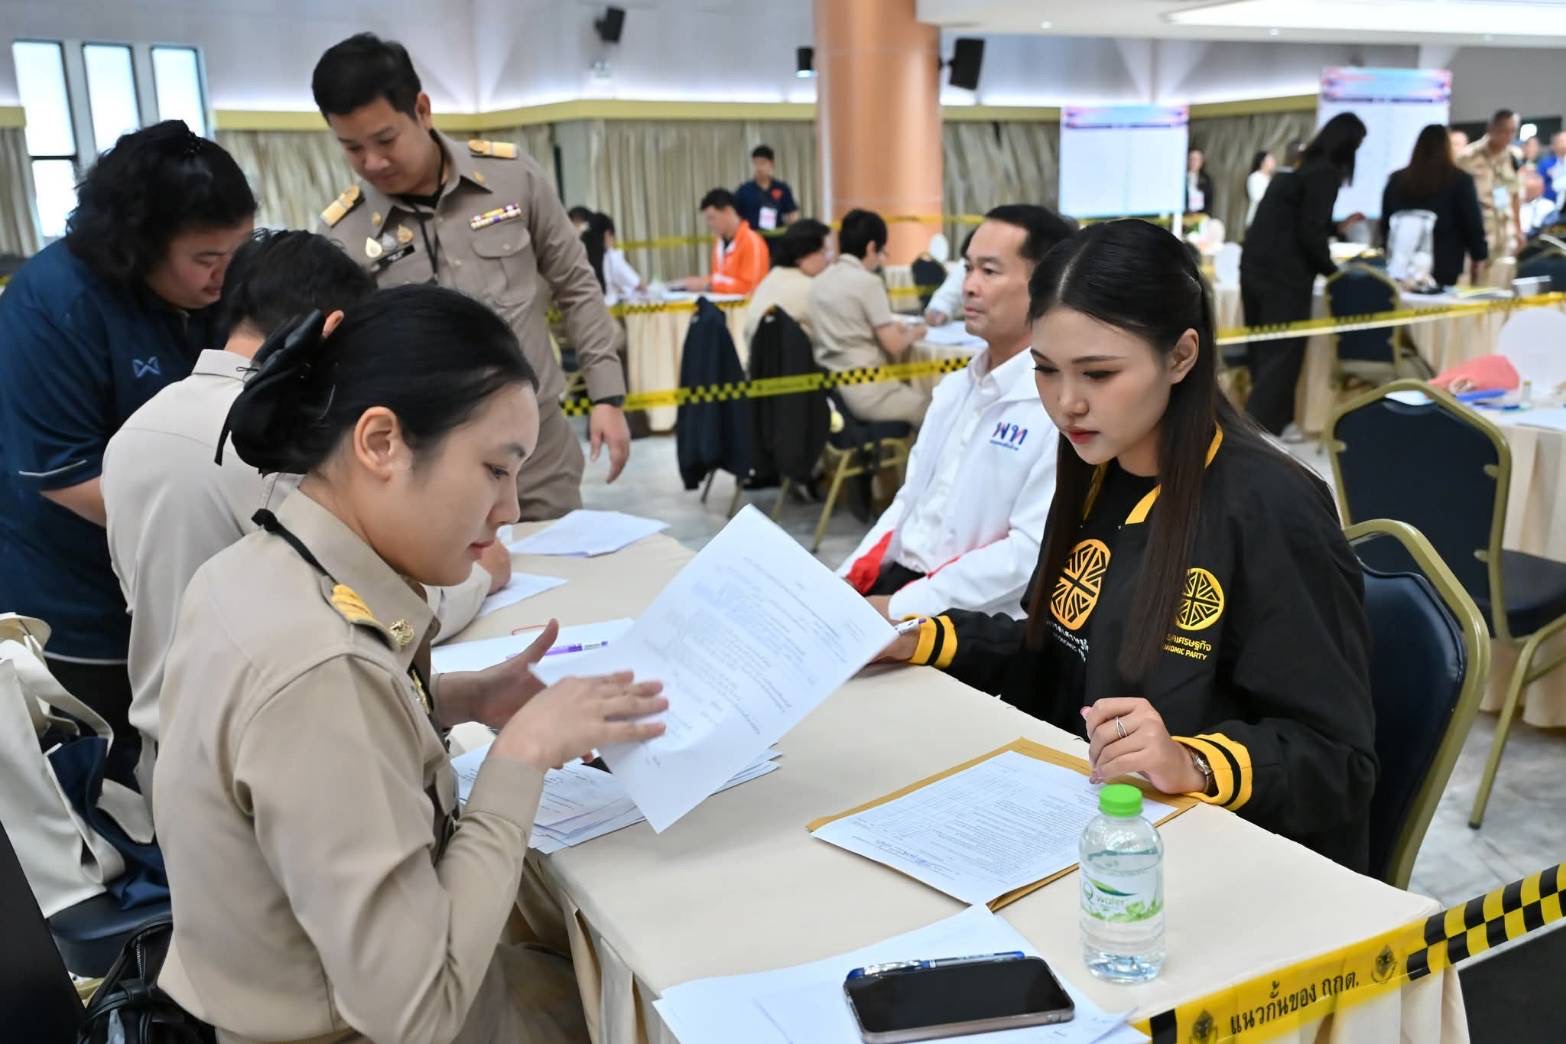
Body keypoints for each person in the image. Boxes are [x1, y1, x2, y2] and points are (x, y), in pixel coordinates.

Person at [153, 283, 668, 1042]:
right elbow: (419, 1013)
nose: (510, 509)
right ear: (381, 443)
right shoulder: (322, 671)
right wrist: (522, 755)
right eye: (494, 469)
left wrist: (455, 698)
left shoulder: (251, 571)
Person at [878, 219, 1376, 870]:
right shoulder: (1097, 469)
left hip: (1228, 858)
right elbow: (1060, 657)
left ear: (1181, 356)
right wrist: (923, 636)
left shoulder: (1270, 508)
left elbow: (1339, 762)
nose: (1067, 404)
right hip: (1098, 825)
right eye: (1046, 371)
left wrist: (1193, 761)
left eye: (1099, 373)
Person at [102, 230, 509, 791]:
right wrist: (482, 574)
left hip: (170, 750)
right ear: (331, 333)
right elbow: (378, 609)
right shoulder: (277, 446)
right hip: (276, 753)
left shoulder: (134, 430)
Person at [0, 120, 254, 765]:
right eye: (206, 258)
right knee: (113, 778)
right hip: (82, 602)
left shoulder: (209, 292)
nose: (225, 276)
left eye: (239, 251)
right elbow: (64, 477)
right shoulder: (51, 307)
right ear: (139, 245)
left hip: (196, 575)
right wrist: (234, 524)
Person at [311, 33, 632, 519]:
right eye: (352, 148)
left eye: (386, 140)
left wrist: (607, 394)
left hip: (537, 448)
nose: (372, 162)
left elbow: (576, 285)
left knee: (562, 561)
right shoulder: (345, 233)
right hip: (428, 466)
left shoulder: (512, 178)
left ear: (422, 110)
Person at [838, 205, 1073, 619]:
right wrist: (847, 579)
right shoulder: (955, 389)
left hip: (972, 616)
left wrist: (900, 607)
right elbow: (909, 501)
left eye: (989, 271)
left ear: (1047, 285)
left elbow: (1025, 555)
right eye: (967, 269)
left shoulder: (1057, 409)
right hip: (905, 584)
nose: (968, 286)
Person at [1240, 112, 1366, 436]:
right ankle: (1263, 428)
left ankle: (1269, 424)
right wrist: (1333, 271)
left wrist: (1336, 228)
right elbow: (1309, 232)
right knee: (1283, 353)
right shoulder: (1325, 174)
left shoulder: (1298, 169)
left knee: (1262, 350)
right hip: (1285, 275)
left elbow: (1303, 222)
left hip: (1254, 266)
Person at [808, 208, 930, 425]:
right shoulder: (868, 283)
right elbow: (894, 345)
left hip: (833, 392)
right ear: (871, 247)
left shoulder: (819, 281)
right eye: (882, 251)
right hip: (869, 392)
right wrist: (916, 332)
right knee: (934, 408)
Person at [1379, 123, 1488, 288]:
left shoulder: (1396, 180)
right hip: (1444, 262)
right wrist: (1479, 254)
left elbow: (1386, 222)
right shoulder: (1459, 180)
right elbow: (1471, 222)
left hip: (1401, 261)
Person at [742, 218, 831, 346]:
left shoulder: (772, 278)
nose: (828, 260)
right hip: (792, 356)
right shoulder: (809, 288)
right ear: (802, 255)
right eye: (823, 252)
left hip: (757, 355)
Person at [1457, 109, 1524, 279]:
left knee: (1499, 280)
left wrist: (1518, 229)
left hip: (1504, 228)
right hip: (1477, 227)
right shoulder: (1467, 157)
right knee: (1468, 279)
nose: (1508, 136)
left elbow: (1515, 193)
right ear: (1491, 129)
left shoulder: (1513, 156)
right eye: (1503, 131)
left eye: (1512, 131)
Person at [676, 188, 771, 295]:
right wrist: (701, 282)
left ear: (728, 211)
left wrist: (708, 284)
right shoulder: (719, 244)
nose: (709, 224)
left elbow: (750, 287)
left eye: (712, 218)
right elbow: (720, 278)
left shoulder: (752, 242)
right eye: (707, 219)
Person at [580, 212, 645, 305]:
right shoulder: (611, 257)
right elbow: (636, 283)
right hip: (607, 309)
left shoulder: (581, 256)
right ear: (607, 234)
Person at [733, 144, 799, 231]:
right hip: (752, 236)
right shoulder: (743, 190)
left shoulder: (782, 188)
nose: (759, 168)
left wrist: (793, 230)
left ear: (772, 164)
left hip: (777, 236)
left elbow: (792, 214)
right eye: (756, 163)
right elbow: (735, 215)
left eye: (763, 163)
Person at [923, 228, 978, 326]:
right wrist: (937, 311)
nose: (968, 288)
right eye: (968, 269)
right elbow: (946, 297)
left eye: (989, 271)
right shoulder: (966, 264)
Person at [1521, 169, 1556, 236]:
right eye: (1528, 190)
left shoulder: (1548, 206)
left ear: (1542, 189)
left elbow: (1543, 229)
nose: (1528, 193)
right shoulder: (1517, 205)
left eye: (1532, 190)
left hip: (1535, 238)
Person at [1245, 150, 1275, 228]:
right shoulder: (1254, 177)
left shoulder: (1270, 179)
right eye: (1270, 160)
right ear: (1262, 162)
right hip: (1256, 219)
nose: (1273, 163)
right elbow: (1257, 197)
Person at [1537, 131, 1566, 205]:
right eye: (1561, 141)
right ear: (1554, 145)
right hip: (1550, 202)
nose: (1564, 144)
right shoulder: (1546, 163)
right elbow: (1540, 183)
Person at [1184, 147, 1214, 216]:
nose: (1194, 162)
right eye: (1191, 159)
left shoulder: (1206, 179)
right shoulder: (1181, 178)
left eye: (1197, 159)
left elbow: (1208, 201)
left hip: (1201, 215)